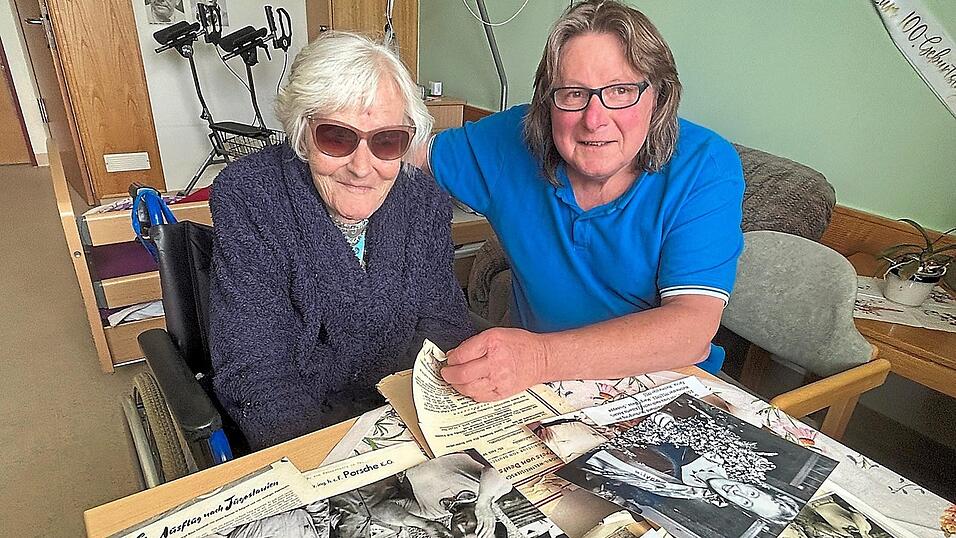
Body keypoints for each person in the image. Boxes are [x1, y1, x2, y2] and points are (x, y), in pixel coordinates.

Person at [423, 0, 745, 402]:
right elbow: (399, 149)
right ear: (548, 103)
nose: (594, 119)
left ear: (659, 97)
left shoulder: (705, 165)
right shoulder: (509, 141)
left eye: (622, 90)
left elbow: (691, 331)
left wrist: (537, 358)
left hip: (665, 388)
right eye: (574, 94)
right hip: (537, 393)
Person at [209, 31, 476, 450]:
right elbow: (255, 366)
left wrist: (437, 425)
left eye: (387, 140)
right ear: (302, 131)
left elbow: (444, 323)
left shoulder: (425, 201)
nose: (362, 167)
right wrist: (328, 463)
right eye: (337, 137)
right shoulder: (248, 195)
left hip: (405, 414)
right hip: (305, 425)